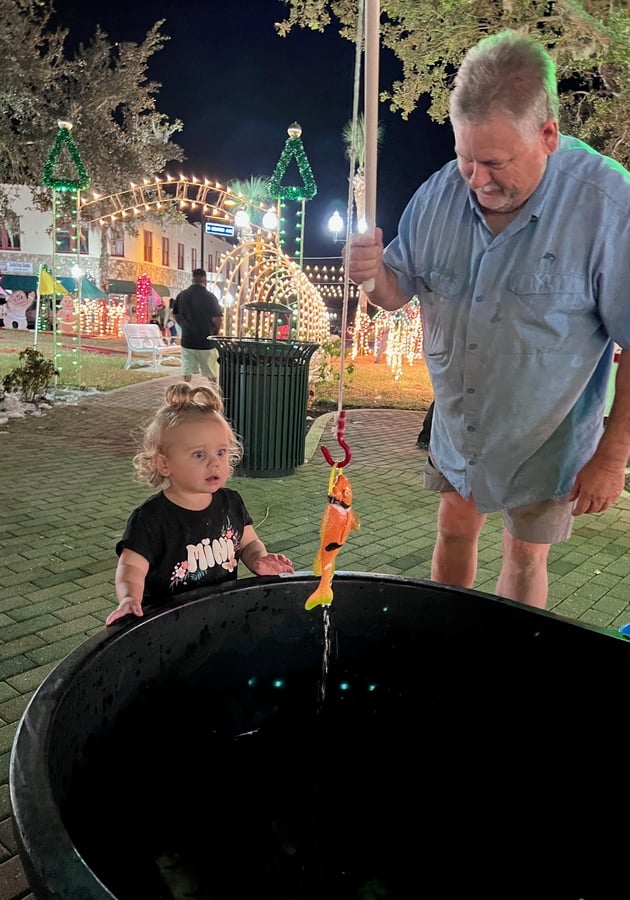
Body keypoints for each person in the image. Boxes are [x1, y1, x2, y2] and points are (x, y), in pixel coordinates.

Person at [345, 29, 630, 610]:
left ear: (547, 134)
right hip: (461, 421)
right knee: (452, 525)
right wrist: (371, 275)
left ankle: (508, 669)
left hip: (547, 434)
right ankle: (445, 642)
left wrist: (613, 454)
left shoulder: (609, 206)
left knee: (525, 555)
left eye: (494, 162)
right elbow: (396, 293)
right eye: (464, 158)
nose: (475, 181)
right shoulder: (438, 196)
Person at [105, 383, 294, 625]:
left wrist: (259, 559)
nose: (214, 464)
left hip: (221, 615)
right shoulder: (151, 519)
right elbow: (131, 565)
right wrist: (130, 597)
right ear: (164, 464)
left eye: (221, 452)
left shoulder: (231, 503)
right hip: (167, 624)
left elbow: (248, 542)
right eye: (199, 455)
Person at [172, 269, 223, 382]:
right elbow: (217, 318)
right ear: (205, 280)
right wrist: (216, 332)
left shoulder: (182, 295)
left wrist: (183, 325)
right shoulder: (210, 297)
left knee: (187, 370)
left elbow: (175, 314)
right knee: (211, 371)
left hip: (188, 339)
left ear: (192, 279)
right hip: (206, 340)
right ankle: (212, 394)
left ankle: (186, 393)